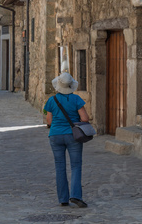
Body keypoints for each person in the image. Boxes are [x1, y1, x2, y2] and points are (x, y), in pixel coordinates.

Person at [44, 72, 89, 208]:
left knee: (60, 167)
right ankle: (75, 195)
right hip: (73, 136)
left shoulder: (52, 100)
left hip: (55, 136)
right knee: (76, 166)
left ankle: (63, 198)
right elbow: (85, 119)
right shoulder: (76, 100)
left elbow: (49, 121)